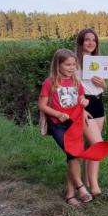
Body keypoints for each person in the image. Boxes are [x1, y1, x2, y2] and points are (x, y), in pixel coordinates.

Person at [38, 49, 93, 207]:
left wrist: (84, 102)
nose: (72, 68)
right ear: (58, 65)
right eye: (68, 64)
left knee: (73, 156)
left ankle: (70, 195)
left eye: (74, 64)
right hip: (57, 124)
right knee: (72, 152)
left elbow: (81, 98)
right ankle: (81, 188)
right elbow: (41, 105)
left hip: (73, 124)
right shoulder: (50, 82)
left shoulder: (76, 81)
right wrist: (57, 114)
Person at [75, 28, 108, 198]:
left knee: (90, 146)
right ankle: (95, 188)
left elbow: (102, 87)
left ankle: (88, 182)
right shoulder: (74, 62)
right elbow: (70, 87)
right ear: (81, 42)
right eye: (87, 39)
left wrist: (103, 84)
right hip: (84, 104)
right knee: (98, 144)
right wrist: (79, 108)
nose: (91, 43)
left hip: (98, 102)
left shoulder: (99, 61)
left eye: (94, 40)